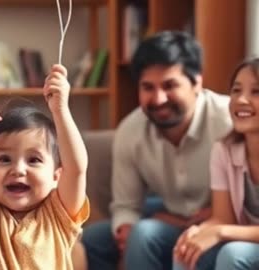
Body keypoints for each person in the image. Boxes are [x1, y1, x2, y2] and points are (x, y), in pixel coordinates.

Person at [81, 31, 232, 270]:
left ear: (197, 82)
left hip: (220, 221)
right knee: (94, 239)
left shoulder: (229, 121)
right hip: (167, 216)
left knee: (145, 233)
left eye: (170, 85)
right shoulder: (130, 131)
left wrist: (213, 216)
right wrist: (125, 229)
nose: (159, 98)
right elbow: (126, 206)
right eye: (148, 87)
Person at [0, 64, 89, 269]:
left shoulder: (59, 215)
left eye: (33, 160)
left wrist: (61, 110)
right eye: (4, 159)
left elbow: (77, 169)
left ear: (56, 176)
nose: (18, 169)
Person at [173, 58, 259, 270]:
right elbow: (223, 217)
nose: (242, 100)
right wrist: (198, 232)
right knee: (185, 249)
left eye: (256, 92)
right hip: (244, 240)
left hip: (242, 246)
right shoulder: (224, 151)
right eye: (236, 91)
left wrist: (221, 232)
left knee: (233, 254)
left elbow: (224, 228)